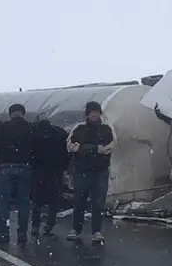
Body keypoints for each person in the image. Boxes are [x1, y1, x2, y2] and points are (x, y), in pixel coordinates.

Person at [66, 100, 115, 243]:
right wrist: (94, 148)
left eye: (97, 112)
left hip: (100, 171)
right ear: (87, 114)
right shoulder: (79, 128)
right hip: (82, 170)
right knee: (79, 201)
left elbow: (110, 146)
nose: (94, 115)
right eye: (92, 112)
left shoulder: (106, 129)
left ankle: (96, 231)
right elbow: (70, 146)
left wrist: (84, 148)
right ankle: (76, 229)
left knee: (98, 202)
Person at [0, 103, 35, 245]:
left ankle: (3, 233)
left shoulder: (3, 127)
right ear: (23, 113)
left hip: (6, 167)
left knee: (4, 202)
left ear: (10, 114)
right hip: (25, 168)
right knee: (23, 202)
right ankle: (22, 233)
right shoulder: (30, 128)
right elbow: (36, 148)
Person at [29, 116, 69, 238]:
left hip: (39, 170)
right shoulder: (60, 133)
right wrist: (65, 166)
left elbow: (30, 152)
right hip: (56, 170)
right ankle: (50, 223)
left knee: (37, 200)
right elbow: (67, 151)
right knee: (54, 200)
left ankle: (35, 225)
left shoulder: (34, 134)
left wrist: (32, 165)